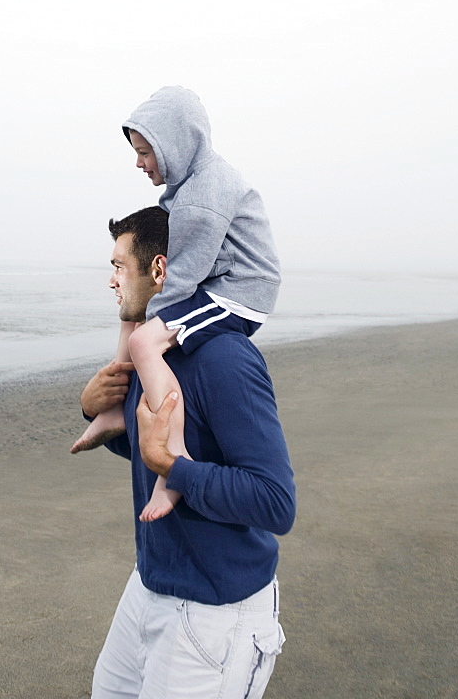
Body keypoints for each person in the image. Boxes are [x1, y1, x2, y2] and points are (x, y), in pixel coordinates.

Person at [80, 206, 295, 699]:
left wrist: (171, 468)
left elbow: (275, 502)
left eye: (119, 267)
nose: (111, 281)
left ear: (158, 270)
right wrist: (92, 410)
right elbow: (147, 447)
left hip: (215, 612)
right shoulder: (152, 352)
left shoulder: (224, 359)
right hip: (150, 584)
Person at [71, 86, 281, 523]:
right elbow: (136, 442)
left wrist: (171, 467)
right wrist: (96, 405)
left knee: (147, 339)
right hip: (218, 279)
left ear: (177, 145)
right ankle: (112, 411)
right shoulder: (185, 190)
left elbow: (184, 274)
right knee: (136, 319)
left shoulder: (204, 197)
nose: (138, 162)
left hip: (241, 290)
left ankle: (175, 458)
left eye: (146, 151)